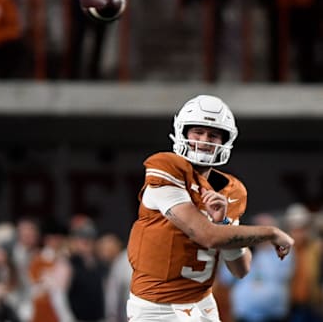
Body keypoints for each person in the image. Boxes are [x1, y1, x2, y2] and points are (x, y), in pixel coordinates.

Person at [126, 94, 294, 322]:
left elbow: (240, 270)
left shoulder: (232, 190)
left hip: (202, 303)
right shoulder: (166, 167)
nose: (204, 140)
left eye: (213, 135)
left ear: (224, 142)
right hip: (157, 304)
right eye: (198, 132)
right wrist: (271, 232)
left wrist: (222, 223)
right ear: (182, 132)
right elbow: (206, 236)